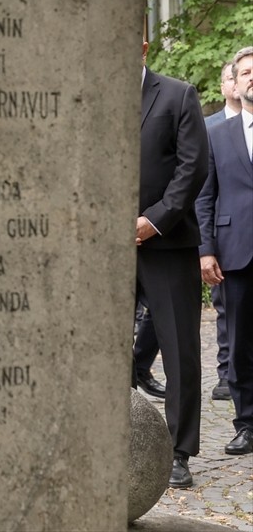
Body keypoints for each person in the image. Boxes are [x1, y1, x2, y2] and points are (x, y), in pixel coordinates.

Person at [136, 40, 210, 488]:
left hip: (167, 243)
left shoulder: (178, 95)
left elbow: (193, 167)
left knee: (180, 351)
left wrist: (154, 221)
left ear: (143, 47)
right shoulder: (91, 93)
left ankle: (179, 451)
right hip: (105, 248)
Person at [196, 46, 253, 456]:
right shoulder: (217, 135)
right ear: (236, 81)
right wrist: (206, 251)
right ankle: (246, 424)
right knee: (240, 343)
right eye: (246, 72)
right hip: (235, 253)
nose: (252, 77)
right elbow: (205, 198)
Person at [204, 60, 241, 400]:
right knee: (227, 310)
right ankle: (226, 373)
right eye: (232, 77)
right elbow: (204, 191)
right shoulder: (210, 128)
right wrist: (207, 245)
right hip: (226, 234)